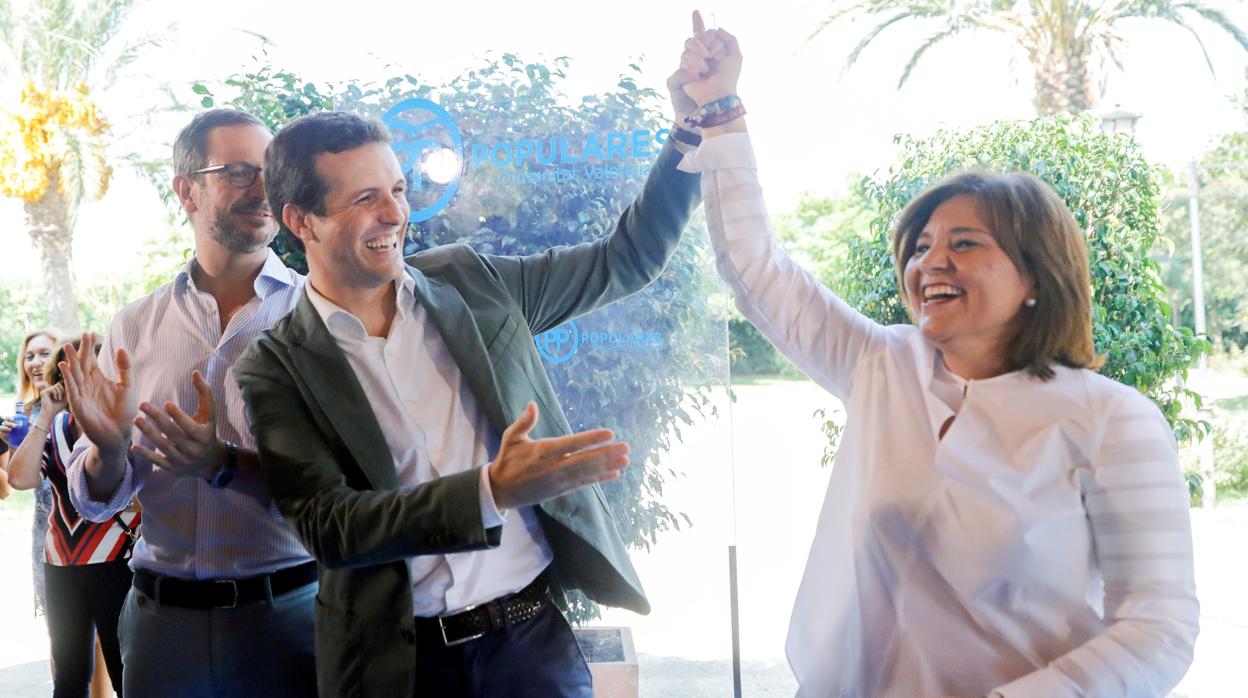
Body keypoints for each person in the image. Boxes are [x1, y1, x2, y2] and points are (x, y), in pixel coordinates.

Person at [673, 22, 1199, 698]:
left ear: (1036, 277)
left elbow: (1158, 627)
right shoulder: (881, 364)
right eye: (921, 246)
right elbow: (755, 268)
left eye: (966, 242)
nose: (932, 261)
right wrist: (720, 112)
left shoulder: (1112, 420)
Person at [230, 57, 705, 695]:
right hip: (401, 668)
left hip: (533, 646)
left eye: (397, 190)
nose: (393, 213)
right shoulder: (275, 366)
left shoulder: (471, 283)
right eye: (364, 197)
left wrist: (691, 131)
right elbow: (330, 525)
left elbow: (628, 257)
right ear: (301, 221)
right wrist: (489, 490)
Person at [61, 109, 316, 698]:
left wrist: (223, 462)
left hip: (290, 616)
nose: (262, 190)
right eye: (238, 172)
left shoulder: (319, 316)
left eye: (270, 173)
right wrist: (105, 448)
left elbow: (348, 486)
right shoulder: (135, 325)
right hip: (160, 626)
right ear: (186, 190)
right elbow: (98, 502)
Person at [6, 338, 140, 698]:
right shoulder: (57, 426)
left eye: (94, 371)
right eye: (75, 374)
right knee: (69, 675)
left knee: (125, 669)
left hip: (118, 561)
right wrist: (45, 416)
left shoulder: (129, 421)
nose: (87, 382)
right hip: (61, 563)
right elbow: (20, 479)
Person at [2, 329, 64, 619]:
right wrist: (11, 443)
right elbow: (20, 482)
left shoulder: (76, 405)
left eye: (44, 354)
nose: (35, 362)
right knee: (60, 633)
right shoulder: (25, 413)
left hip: (88, 530)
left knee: (100, 637)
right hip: (46, 527)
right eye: (29, 357)